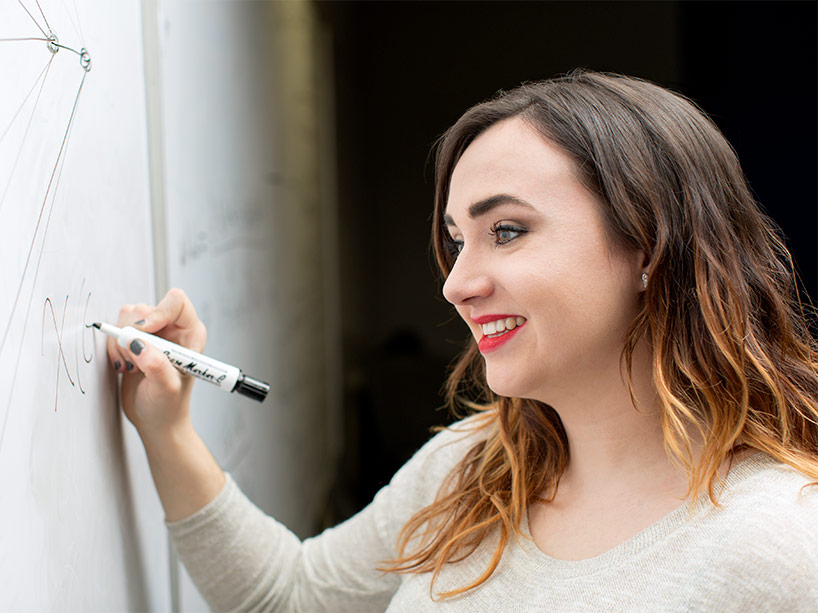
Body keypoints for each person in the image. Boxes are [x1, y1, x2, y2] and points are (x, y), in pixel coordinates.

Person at [108, 70, 818, 611]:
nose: (456, 282)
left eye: (506, 230)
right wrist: (167, 428)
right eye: (457, 240)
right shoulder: (473, 466)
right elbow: (292, 596)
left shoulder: (777, 544)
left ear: (648, 245)